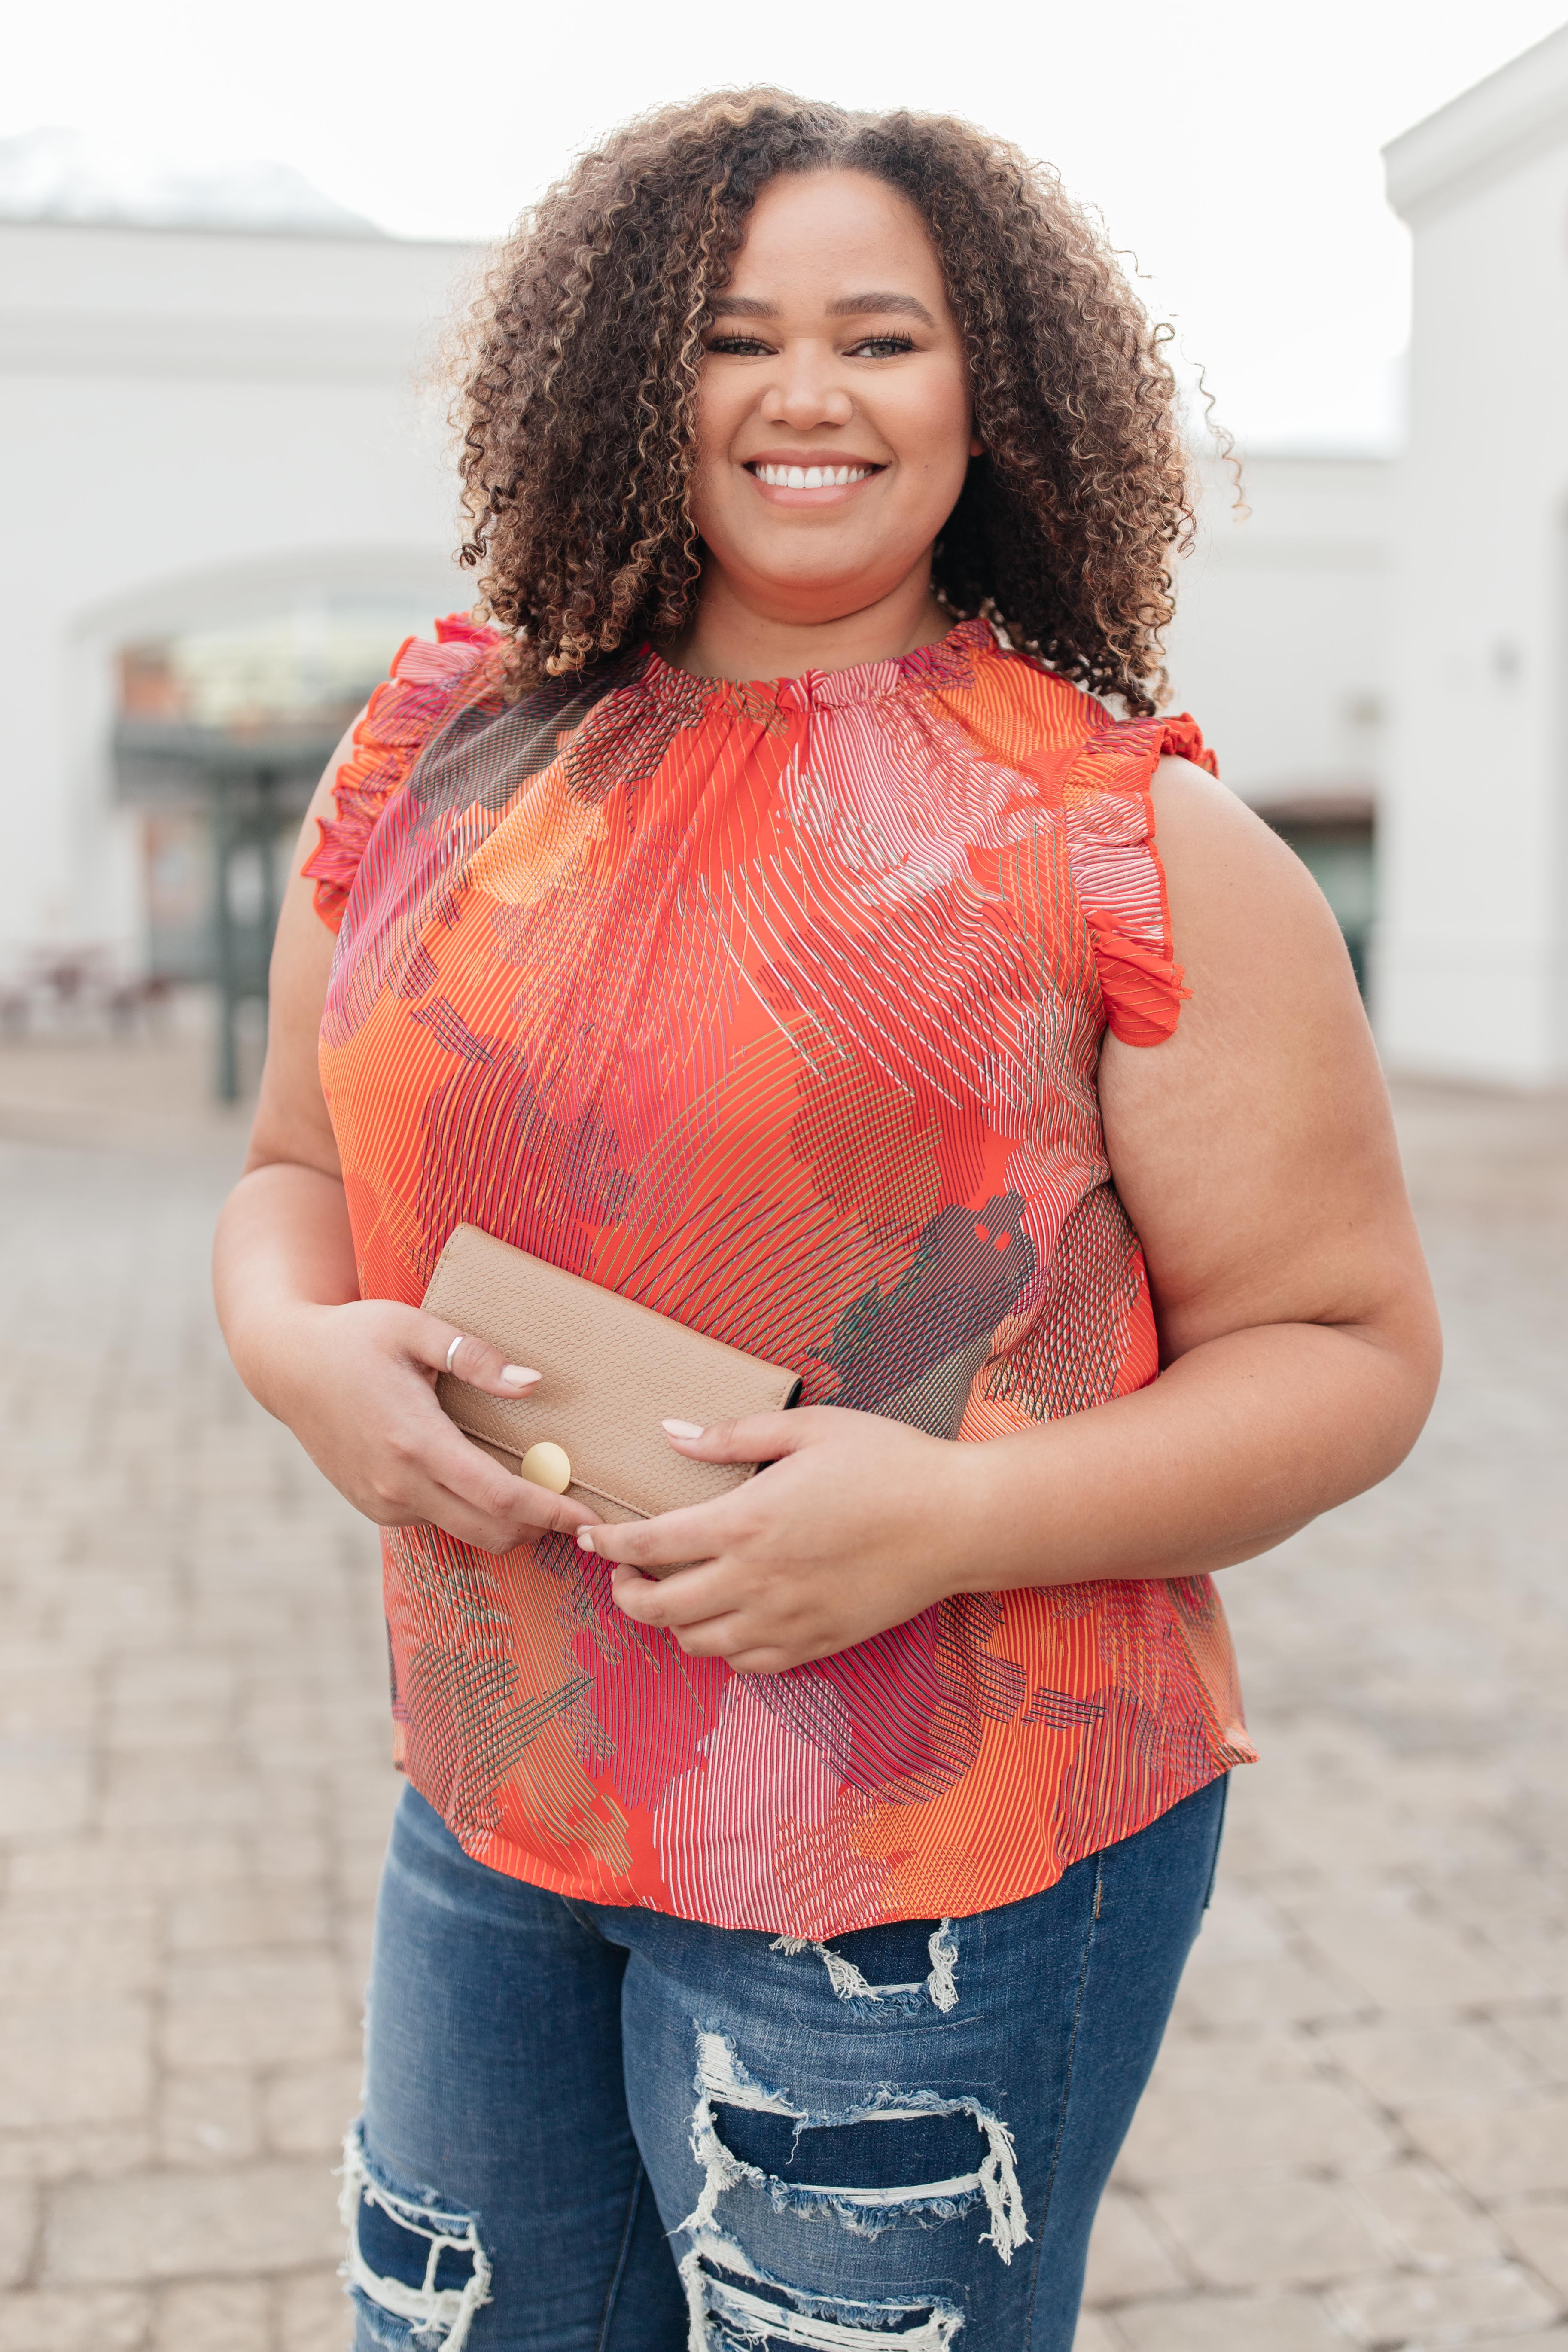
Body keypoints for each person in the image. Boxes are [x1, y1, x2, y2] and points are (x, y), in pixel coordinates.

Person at [213, 90, 1440, 2352]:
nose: (803, 393)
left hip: (931, 1856)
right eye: (728, 333)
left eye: (880, 337)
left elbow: (1350, 1350)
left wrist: (944, 1516)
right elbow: (293, 1173)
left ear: (992, 393)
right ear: (618, 372)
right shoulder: (429, 753)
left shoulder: (1123, 842)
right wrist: (299, 1354)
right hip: (494, 1796)